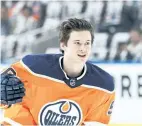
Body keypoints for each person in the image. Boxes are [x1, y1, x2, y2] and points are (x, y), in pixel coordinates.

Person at [0, 18, 115, 126]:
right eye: (77, 43)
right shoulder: (33, 67)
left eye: (87, 43)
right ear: (63, 44)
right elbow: (3, 88)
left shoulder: (104, 86)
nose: (83, 48)